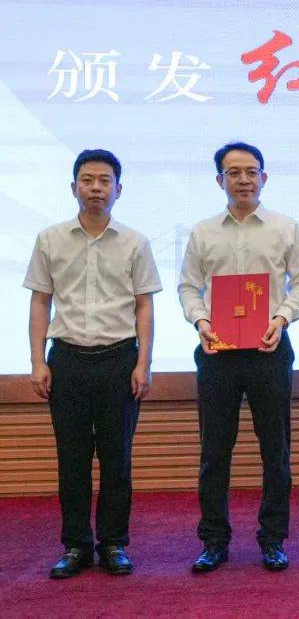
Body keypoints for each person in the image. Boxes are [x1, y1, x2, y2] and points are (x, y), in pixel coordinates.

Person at [25, 149, 162, 579]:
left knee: (116, 459)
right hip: (66, 360)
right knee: (73, 459)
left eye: (105, 181)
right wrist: (37, 361)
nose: (96, 188)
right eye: (87, 180)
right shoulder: (50, 239)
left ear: (119, 189)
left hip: (119, 360)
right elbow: (40, 301)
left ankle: (114, 543)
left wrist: (143, 363)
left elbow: (144, 306)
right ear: (74, 187)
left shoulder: (135, 242)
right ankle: (75, 545)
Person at [178, 141, 299, 572]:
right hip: (216, 351)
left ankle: (273, 538)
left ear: (263, 178)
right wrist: (200, 321)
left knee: (276, 449)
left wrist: (282, 318)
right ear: (220, 180)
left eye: (251, 172)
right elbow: (188, 286)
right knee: (214, 451)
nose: (243, 180)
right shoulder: (203, 232)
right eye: (234, 173)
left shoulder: (285, 228)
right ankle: (214, 540)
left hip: (269, 349)